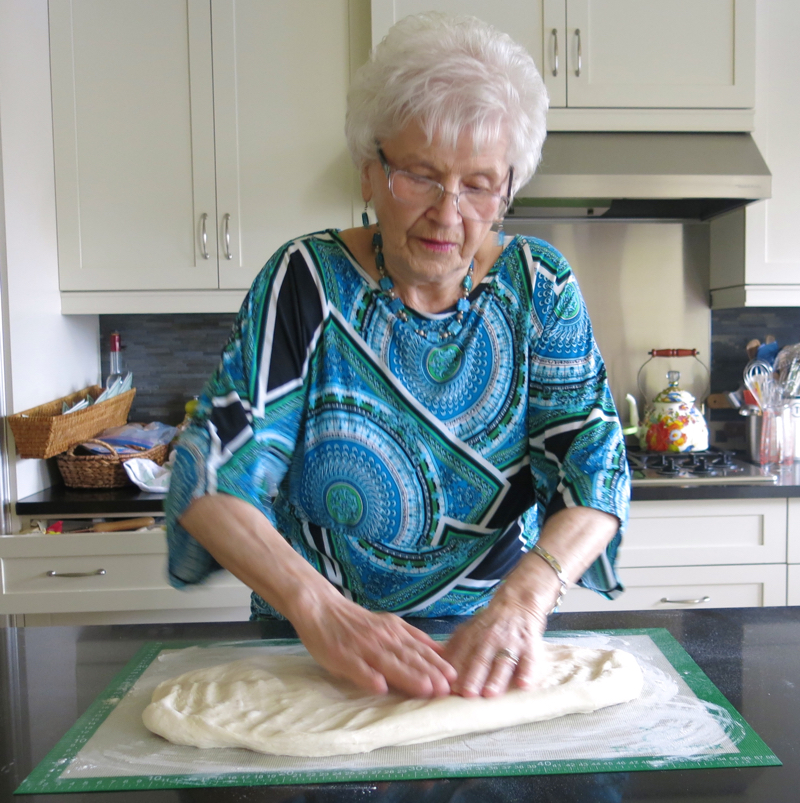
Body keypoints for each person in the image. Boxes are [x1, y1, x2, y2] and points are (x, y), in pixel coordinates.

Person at [165, 12, 630, 702]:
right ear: (370, 173)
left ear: (506, 191)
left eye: (479, 184)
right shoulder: (306, 283)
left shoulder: (539, 287)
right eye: (421, 174)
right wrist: (318, 607)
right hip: (318, 652)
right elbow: (209, 471)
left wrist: (525, 598)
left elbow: (597, 473)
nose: (449, 213)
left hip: (488, 655)